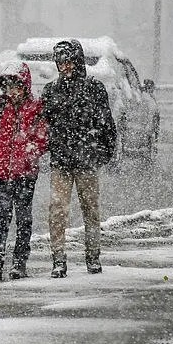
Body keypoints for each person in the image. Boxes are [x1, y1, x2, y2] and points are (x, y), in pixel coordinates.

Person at [39, 39, 117, 278]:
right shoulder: (51, 91)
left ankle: (92, 257)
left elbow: (106, 124)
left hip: (85, 160)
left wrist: (103, 153)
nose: (65, 66)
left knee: (90, 209)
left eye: (69, 61)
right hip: (62, 160)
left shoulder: (94, 89)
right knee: (58, 210)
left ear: (78, 61)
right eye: (61, 62)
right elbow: (44, 125)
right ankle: (59, 259)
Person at [0, 61, 47, 281]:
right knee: (0, 218)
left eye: (17, 86)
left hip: (25, 174)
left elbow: (41, 137)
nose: (12, 91)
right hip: (1, 173)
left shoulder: (36, 106)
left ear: (25, 85)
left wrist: (28, 156)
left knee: (23, 218)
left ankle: (20, 262)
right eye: (8, 86)